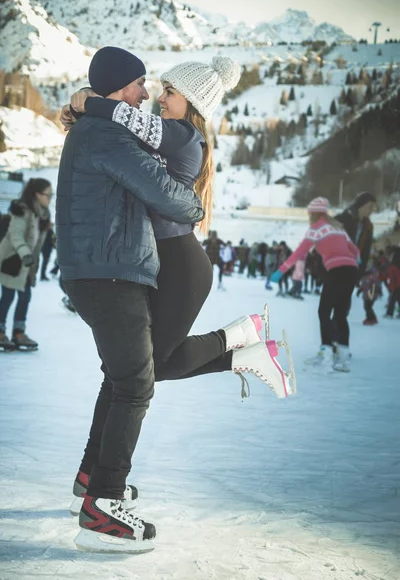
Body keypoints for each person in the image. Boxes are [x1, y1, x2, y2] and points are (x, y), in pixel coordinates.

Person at [60, 48, 295, 554]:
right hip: (145, 264)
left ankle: (240, 344)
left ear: (190, 102)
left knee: (139, 374)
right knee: (136, 375)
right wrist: (85, 102)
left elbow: (160, 179)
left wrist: (85, 101)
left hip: (180, 263)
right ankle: (96, 482)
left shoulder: (181, 133)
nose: (153, 97)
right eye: (148, 86)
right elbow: (134, 145)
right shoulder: (131, 130)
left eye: (165, 90)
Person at [271, 197, 359, 372]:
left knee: (324, 311)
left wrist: (281, 271)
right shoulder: (338, 227)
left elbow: (299, 253)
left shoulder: (316, 229)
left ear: (313, 213)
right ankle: (343, 355)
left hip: (336, 270)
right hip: (351, 270)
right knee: (340, 313)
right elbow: (355, 251)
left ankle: (326, 351)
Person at [0, 178, 51, 351]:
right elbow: (15, 236)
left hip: (27, 265)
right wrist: (25, 253)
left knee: (25, 297)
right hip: (12, 260)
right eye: (47, 195)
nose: (49, 199)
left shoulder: (43, 214)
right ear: (37, 194)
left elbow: (41, 242)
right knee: (8, 297)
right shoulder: (21, 210)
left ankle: (18, 333)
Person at [335, 192, 376, 279]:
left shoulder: (368, 226)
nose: (372, 210)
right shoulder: (342, 219)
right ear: (361, 205)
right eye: (370, 206)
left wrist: (360, 272)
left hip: (352, 271)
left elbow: (365, 252)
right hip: (335, 268)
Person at [356, 261, 382, 325]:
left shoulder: (373, 275)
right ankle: (371, 318)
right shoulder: (365, 276)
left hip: (372, 294)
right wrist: (359, 290)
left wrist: (379, 291)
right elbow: (363, 285)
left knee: (368, 307)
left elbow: (377, 283)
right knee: (367, 307)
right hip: (366, 295)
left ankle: (371, 319)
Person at [385, 247, 400, 318]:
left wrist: (391, 287)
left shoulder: (392, 267)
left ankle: (389, 314)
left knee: (392, 300)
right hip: (398, 284)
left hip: (397, 285)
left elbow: (391, 279)